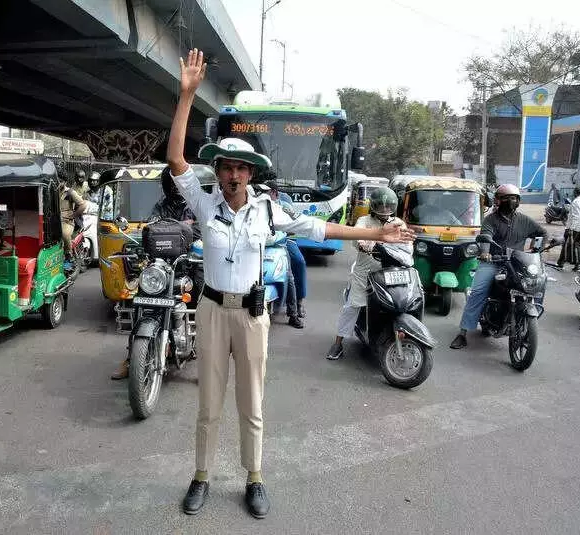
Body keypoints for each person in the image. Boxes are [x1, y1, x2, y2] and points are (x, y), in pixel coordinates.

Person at [169, 48, 414, 520]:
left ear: (251, 174)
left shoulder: (267, 211)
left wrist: (375, 232)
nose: (233, 174)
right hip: (212, 311)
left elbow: (319, 229)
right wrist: (186, 96)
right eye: (226, 167)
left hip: (253, 315)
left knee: (252, 404)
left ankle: (254, 478)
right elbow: (177, 158)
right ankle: (201, 476)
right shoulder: (203, 206)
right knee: (207, 405)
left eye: (241, 168)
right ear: (218, 172)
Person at [110, 167, 203, 380]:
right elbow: (151, 229)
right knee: (140, 300)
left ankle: (204, 358)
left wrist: (184, 231)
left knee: (203, 299)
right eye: (170, 183)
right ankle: (132, 357)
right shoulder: (160, 206)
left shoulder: (195, 206)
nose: (174, 187)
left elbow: (201, 229)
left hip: (187, 262)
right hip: (163, 265)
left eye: (176, 183)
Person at [450, 184, 547, 349]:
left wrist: (537, 249)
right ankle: (463, 332)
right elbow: (486, 235)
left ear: (518, 201)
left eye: (514, 198)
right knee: (478, 291)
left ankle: (530, 316)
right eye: (506, 198)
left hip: (517, 263)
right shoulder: (491, 220)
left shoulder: (524, 220)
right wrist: (485, 252)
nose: (511, 201)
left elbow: (542, 233)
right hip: (493, 262)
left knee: (539, 282)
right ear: (498, 200)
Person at [326, 187, 409, 360]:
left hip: (389, 272)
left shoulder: (398, 223)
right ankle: (338, 343)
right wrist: (363, 243)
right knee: (352, 306)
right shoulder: (364, 220)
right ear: (374, 206)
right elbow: (357, 235)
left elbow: (407, 244)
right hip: (365, 273)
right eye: (381, 206)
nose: (385, 210)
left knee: (402, 302)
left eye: (388, 207)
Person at [264, 180, 307, 328]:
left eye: (267, 192)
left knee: (292, 271)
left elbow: (298, 222)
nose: (263, 195)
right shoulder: (257, 206)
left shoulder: (285, 207)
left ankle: (294, 311)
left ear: (274, 193)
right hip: (260, 244)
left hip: (282, 242)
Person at [557, 187, 580, 270]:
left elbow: (576, 217)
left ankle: (561, 263)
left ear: (576, 193)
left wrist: (570, 229)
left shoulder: (576, 202)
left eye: (574, 192)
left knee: (566, 245)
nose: (573, 194)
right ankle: (579, 264)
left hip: (575, 228)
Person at [59, 175, 86, 263]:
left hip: (67, 221)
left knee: (65, 234)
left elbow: (83, 205)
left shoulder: (70, 192)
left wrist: (73, 215)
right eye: (57, 180)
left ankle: (68, 256)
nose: (59, 183)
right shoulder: (53, 191)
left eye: (61, 181)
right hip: (56, 220)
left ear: (65, 182)